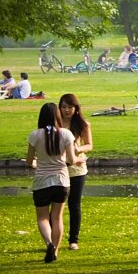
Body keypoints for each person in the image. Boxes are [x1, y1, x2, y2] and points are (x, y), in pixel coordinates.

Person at [26, 102, 78, 263]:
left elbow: (29, 161)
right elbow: (71, 160)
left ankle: (48, 243)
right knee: (57, 217)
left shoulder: (35, 135)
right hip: (61, 181)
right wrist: (80, 158)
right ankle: (54, 250)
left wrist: (36, 163)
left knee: (42, 218)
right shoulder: (66, 134)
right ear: (57, 115)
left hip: (41, 181)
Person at [59, 92, 93, 250]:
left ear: (76, 108)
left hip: (77, 168)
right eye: (64, 107)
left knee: (74, 204)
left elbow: (89, 145)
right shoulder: (56, 123)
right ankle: (54, 239)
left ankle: (74, 240)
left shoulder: (82, 124)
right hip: (59, 167)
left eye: (70, 107)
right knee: (57, 205)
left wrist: (78, 150)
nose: (67, 110)